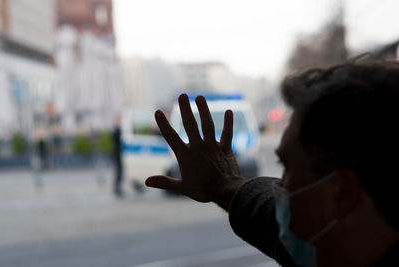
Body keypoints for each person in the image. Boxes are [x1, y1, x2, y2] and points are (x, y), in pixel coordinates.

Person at [145, 60, 399, 267]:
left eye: (288, 168)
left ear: (342, 193)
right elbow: (266, 215)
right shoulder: (331, 245)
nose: (280, 187)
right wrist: (223, 185)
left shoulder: (318, 245)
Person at [112, 115, 123, 197]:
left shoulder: (117, 130)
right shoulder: (116, 130)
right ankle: (117, 188)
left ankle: (118, 187)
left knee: (120, 171)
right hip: (117, 154)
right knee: (118, 171)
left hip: (119, 153)